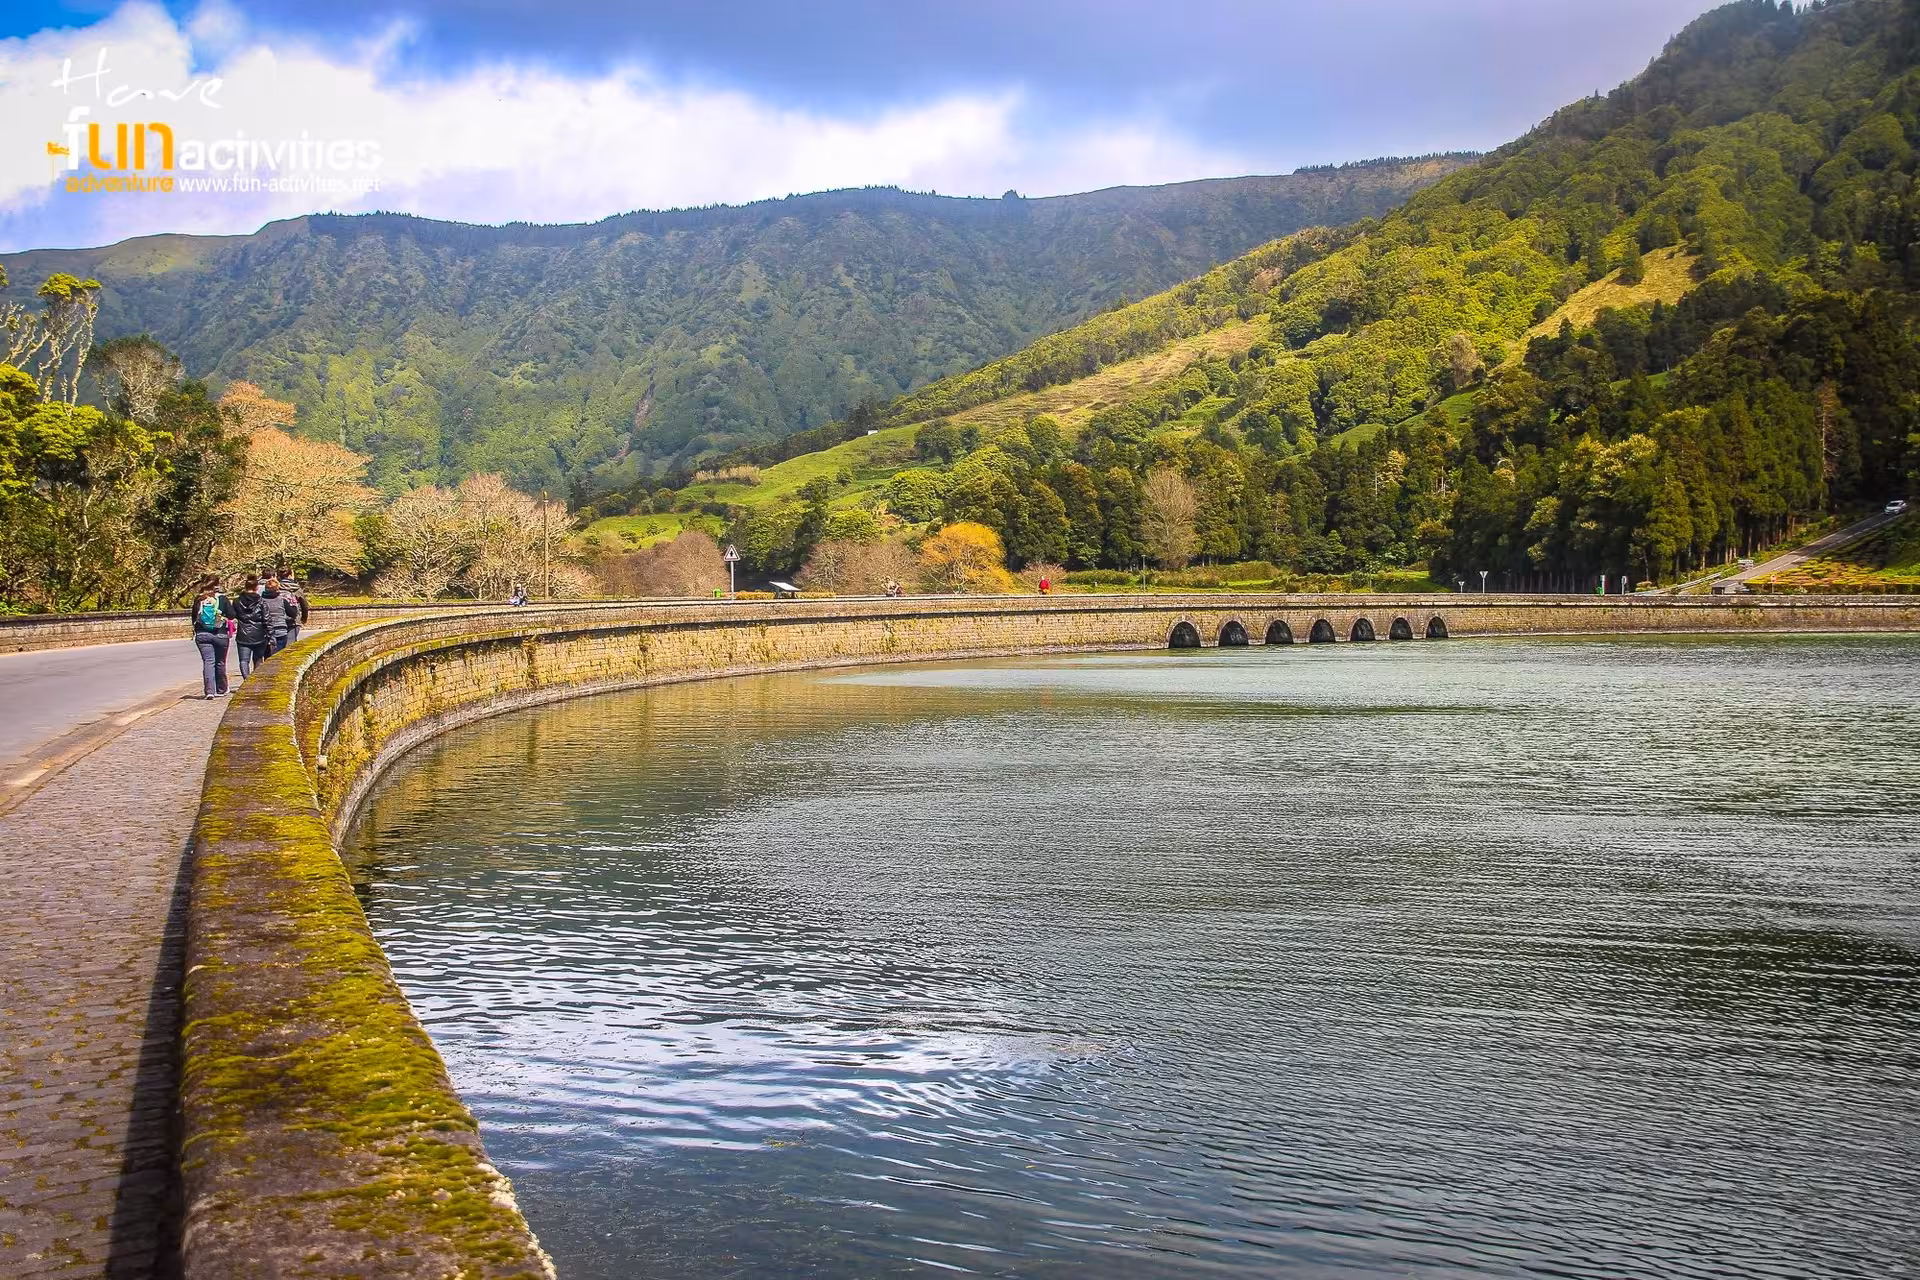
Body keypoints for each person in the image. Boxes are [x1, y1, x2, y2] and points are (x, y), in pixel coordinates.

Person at [189, 577, 234, 698]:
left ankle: (209, 691)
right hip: (220, 634)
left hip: (202, 634)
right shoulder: (222, 598)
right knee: (220, 662)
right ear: (217, 585)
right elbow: (232, 615)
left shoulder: (199, 599)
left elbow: (194, 617)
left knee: (208, 661)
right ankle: (222, 689)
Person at [232, 574, 270, 678]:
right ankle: (256, 681)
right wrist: (270, 634)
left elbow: (233, 615)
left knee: (244, 660)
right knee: (258, 659)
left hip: (243, 633)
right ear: (257, 588)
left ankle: (246, 680)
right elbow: (266, 619)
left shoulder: (237, 601)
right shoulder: (261, 601)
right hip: (259, 633)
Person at [261, 577, 295, 654]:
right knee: (279, 654)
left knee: (267, 655)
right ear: (277, 588)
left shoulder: (261, 601)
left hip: (266, 631)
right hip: (281, 630)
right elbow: (293, 614)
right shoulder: (282, 600)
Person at [281, 574, 309, 647]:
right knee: (290, 644)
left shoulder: (276, 587)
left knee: (278, 645)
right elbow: (304, 605)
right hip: (294, 620)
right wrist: (304, 618)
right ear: (290, 575)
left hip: (279, 619)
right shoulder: (296, 589)